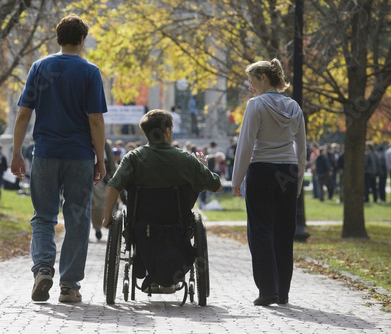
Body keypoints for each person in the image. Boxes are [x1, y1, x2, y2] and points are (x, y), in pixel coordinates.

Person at [10, 14, 107, 304]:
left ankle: (42, 268)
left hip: (46, 153)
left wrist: (16, 152)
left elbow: (24, 112)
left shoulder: (40, 67)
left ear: (58, 38)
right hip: (79, 155)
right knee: (78, 217)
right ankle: (69, 286)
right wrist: (100, 160)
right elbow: (96, 120)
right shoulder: (90, 71)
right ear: (81, 40)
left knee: (43, 216)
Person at [102, 109, 222, 289]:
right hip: (177, 225)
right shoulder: (186, 160)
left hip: (141, 226)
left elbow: (112, 187)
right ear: (167, 131)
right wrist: (203, 168)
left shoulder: (133, 158)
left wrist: (107, 217)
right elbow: (217, 186)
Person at [231, 59, 306, 306]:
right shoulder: (294, 106)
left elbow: (246, 144)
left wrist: (236, 179)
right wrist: (298, 181)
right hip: (288, 170)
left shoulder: (256, 105)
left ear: (263, 77)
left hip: (261, 169)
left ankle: (267, 290)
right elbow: (301, 147)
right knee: (284, 232)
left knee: (260, 230)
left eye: (252, 81)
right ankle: (283, 291)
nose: (250, 87)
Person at [91, 140, 117, 240]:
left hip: (99, 175)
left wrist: (113, 175)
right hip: (83, 168)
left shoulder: (104, 143)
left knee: (98, 204)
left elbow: (110, 160)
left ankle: (97, 228)